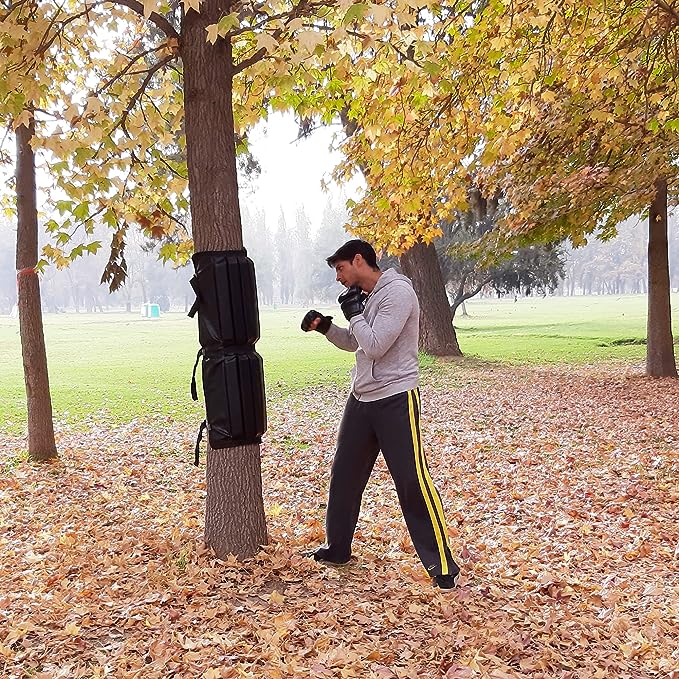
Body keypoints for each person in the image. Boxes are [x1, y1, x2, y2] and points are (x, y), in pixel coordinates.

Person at [301, 239, 460, 589]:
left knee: (411, 481)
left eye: (341, 269)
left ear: (359, 260)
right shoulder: (368, 298)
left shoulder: (398, 293)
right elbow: (355, 342)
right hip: (362, 398)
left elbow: (376, 345)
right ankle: (337, 549)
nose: (339, 278)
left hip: (395, 399)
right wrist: (325, 327)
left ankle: (442, 565)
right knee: (344, 476)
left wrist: (355, 314)